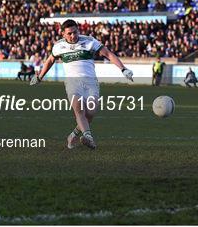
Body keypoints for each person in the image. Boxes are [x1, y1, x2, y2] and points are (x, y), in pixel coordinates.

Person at [30, 20, 134, 150]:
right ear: (63, 34)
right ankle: (88, 137)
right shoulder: (58, 46)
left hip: (91, 82)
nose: (73, 36)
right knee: (79, 110)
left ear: (78, 30)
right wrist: (40, 77)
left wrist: (123, 69)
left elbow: (107, 54)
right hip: (72, 82)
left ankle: (73, 135)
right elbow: (51, 60)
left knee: (90, 113)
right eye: (69, 34)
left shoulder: (89, 41)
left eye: (75, 32)